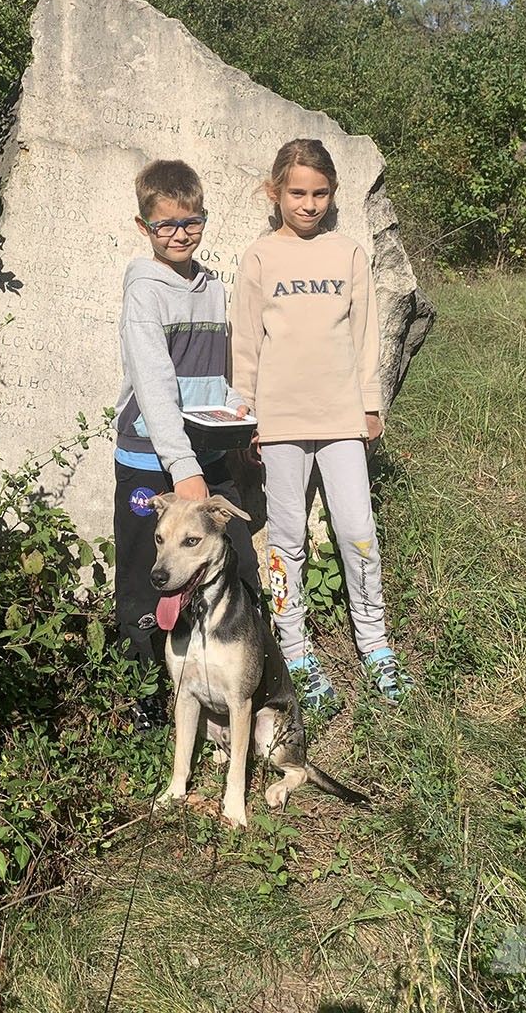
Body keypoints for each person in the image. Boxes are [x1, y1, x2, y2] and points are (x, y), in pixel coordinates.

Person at [232, 138, 411, 707]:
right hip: (280, 420)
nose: (308, 204)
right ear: (275, 192)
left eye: (320, 193)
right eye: (297, 193)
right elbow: (246, 343)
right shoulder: (260, 256)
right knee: (286, 541)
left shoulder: (349, 254)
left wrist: (370, 402)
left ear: (333, 195)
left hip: (341, 418)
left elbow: (365, 336)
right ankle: (297, 652)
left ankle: (376, 643)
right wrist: (248, 414)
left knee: (358, 530)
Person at [113, 158, 260, 732]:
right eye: (166, 225)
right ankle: (147, 697)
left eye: (191, 222)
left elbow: (221, 374)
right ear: (143, 225)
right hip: (153, 462)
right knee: (146, 576)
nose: (180, 234)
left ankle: (238, 679)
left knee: (236, 562)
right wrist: (180, 470)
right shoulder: (145, 292)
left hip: (206, 455)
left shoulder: (213, 288)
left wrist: (241, 427)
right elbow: (153, 386)